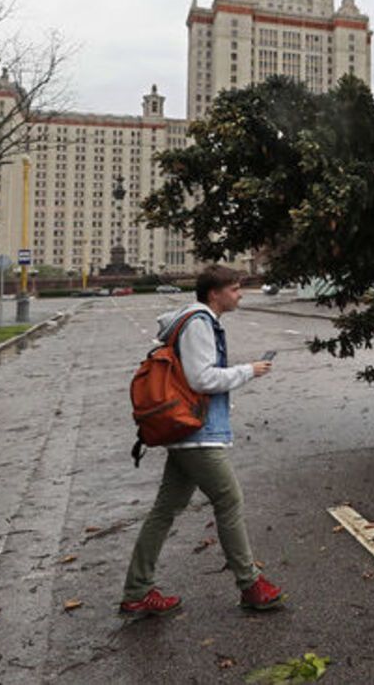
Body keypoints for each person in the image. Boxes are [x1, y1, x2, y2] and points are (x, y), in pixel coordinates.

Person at [119, 265, 285, 619]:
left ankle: (137, 591)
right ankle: (250, 584)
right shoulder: (199, 322)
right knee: (229, 499)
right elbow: (201, 378)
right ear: (215, 293)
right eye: (236, 288)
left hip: (188, 433)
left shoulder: (198, 320)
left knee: (164, 510)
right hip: (197, 433)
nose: (240, 294)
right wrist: (248, 371)